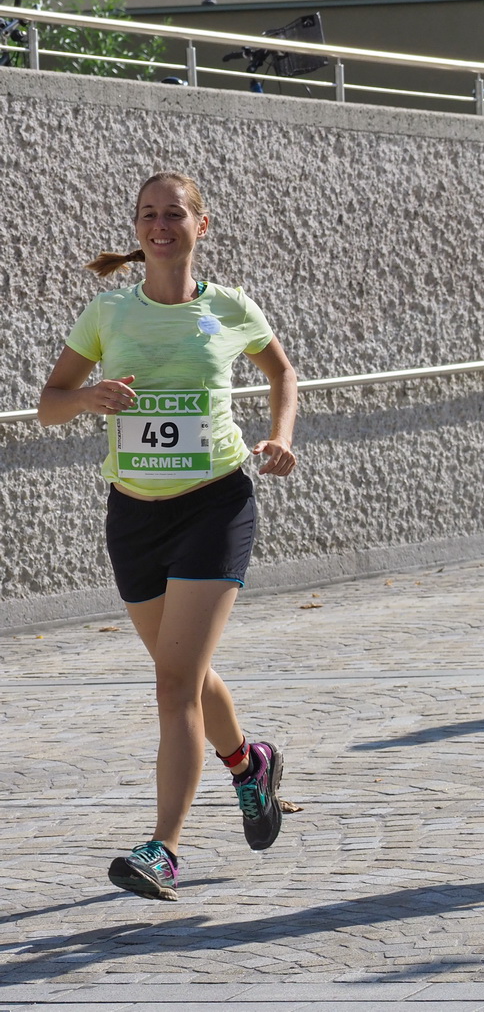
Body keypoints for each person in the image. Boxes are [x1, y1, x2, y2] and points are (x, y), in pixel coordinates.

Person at [37, 172, 298, 900]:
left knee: (172, 681)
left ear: (201, 225)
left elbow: (282, 373)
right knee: (186, 672)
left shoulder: (229, 306)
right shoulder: (107, 312)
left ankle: (164, 848)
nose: (160, 224)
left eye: (174, 213)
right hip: (134, 514)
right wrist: (87, 396)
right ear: (137, 227)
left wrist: (279, 437)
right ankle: (249, 763)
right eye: (148, 214)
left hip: (215, 503)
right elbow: (48, 406)